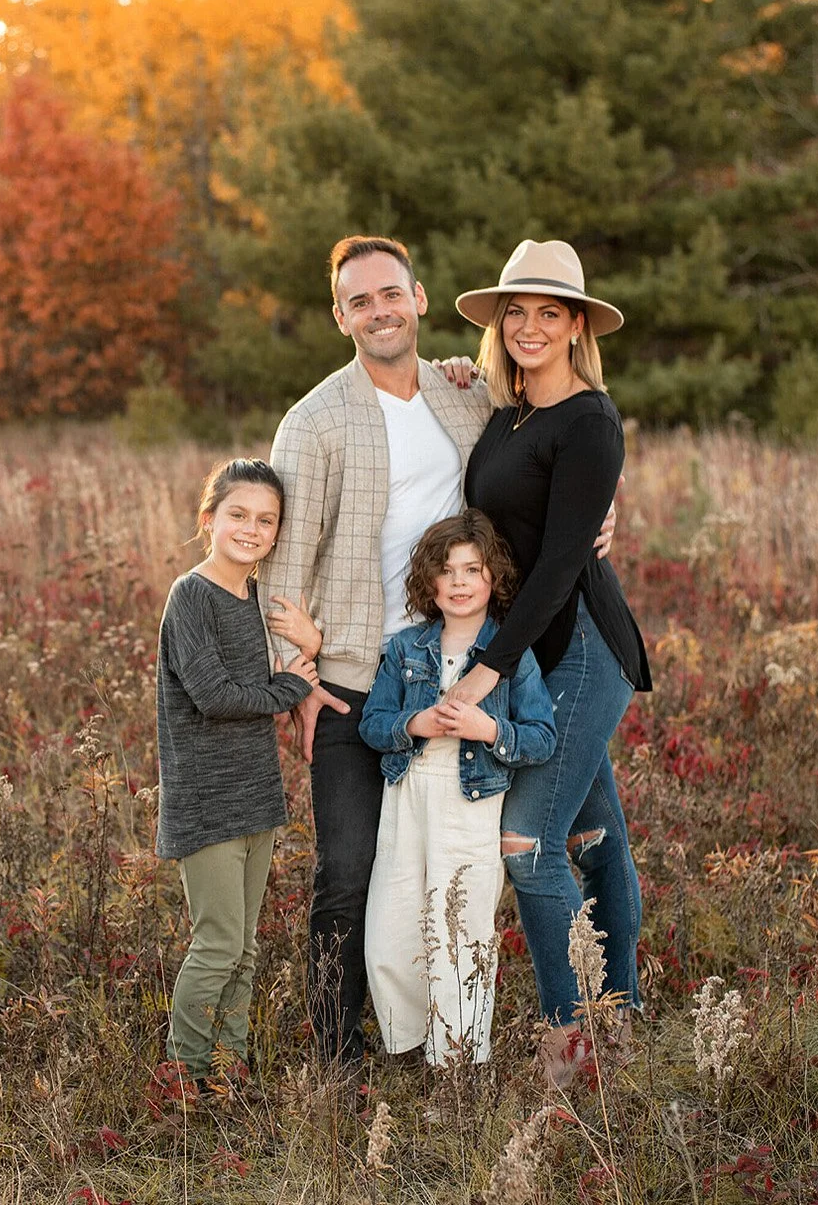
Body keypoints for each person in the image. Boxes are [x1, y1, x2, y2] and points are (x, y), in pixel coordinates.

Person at [259, 236, 616, 1067]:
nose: (379, 311)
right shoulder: (312, 423)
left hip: (461, 665)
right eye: (359, 301)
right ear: (339, 315)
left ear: (418, 299)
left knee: (462, 870)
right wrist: (302, 681)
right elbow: (281, 568)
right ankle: (338, 1056)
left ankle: (476, 1038)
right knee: (350, 874)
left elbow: (567, 441)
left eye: (392, 294)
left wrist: (606, 507)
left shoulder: (467, 395)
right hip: (355, 680)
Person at [443, 239, 653, 1088]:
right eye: (516, 312)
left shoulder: (591, 419)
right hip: (534, 654)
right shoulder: (506, 412)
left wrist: (486, 671)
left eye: (550, 313)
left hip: (580, 651)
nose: (531, 326)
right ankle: (624, 1013)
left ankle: (576, 1043)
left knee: (528, 844)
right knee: (594, 834)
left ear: (576, 327)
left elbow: (564, 563)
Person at [358, 510, 555, 1066]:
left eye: (473, 569)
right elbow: (374, 724)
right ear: (430, 582)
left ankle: (459, 1061)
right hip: (408, 793)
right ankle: (409, 1043)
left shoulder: (511, 656)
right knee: (392, 926)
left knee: (462, 928)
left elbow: (541, 737)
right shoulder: (405, 649)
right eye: (448, 571)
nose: (461, 582)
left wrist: (486, 729)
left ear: (493, 578)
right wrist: (414, 724)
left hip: (472, 800)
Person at [156, 458, 323, 1088]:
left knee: (246, 950)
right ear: (209, 520)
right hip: (206, 803)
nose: (251, 529)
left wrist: (310, 647)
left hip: (257, 795)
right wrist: (285, 689)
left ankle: (231, 1068)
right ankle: (185, 1076)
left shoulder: (258, 598)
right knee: (218, 946)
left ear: (277, 532)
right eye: (238, 515)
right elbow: (215, 694)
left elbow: (297, 662)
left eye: (265, 520)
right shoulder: (191, 596)